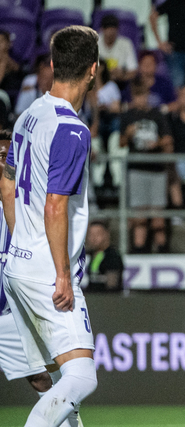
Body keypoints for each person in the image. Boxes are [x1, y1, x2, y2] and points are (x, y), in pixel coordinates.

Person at [0, 25, 100, 426]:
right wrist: (61, 274)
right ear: (93, 69)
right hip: (47, 271)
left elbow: (7, 184)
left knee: (53, 382)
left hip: (17, 265)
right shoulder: (72, 129)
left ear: (55, 65)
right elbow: (55, 206)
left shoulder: (28, 115)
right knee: (81, 376)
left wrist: (18, 244)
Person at [0, 127, 82, 425]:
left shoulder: (30, 205)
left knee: (43, 377)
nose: (3, 162)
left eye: (8, 156)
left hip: (10, 312)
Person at [119, 82, 174, 253]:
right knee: (139, 216)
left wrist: (156, 143)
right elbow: (121, 143)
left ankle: (162, 252)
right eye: (137, 96)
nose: (140, 100)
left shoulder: (157, 115)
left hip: (156, 170)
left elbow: (168, 139)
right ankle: (139, 250)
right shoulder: (128, 116)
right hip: (137, 170)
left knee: (158, 216)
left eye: (143, 96)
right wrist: (128, 134)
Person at [97, 14, 138, 84]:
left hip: (119, 83)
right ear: (102, 29)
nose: (111, 31)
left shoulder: (126, 44)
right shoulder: (94, 42)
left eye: (113, 28)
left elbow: (133, 70)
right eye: (108, 28)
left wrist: (123, 76)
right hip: (98, 82)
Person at [84, 222, 123, 292]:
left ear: (106, 235)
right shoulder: (93, 255)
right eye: (91, 235)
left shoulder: (112, 256)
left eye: (97, 234)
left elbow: (112, 286)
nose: (93, 238)